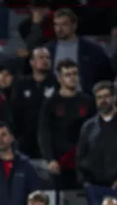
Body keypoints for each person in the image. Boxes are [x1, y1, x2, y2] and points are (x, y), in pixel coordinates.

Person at [39, 59, 95, 189]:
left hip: (83, 162)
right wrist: (50, 158)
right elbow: (44, 132)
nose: (72, 78)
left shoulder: (88, 101)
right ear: (59, 78)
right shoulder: (50, 103)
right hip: (59, 163)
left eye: (75, 74)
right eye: (67, 75)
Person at [45, 8, 114, 92]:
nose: (59, 29)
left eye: (64, 24)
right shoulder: (47, 50)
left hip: (84, 99)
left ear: (74, 25)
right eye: (56, 25)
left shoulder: (92, 50)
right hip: (55, 100)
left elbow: (107, 75)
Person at [10, 47, 57, 160]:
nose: (45, 61)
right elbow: (14, 111)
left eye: (48, 58)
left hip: (51, 143)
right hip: (25, 142)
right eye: (41, 58)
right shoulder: (21, 84)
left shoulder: (57, 84)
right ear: (32, 62)